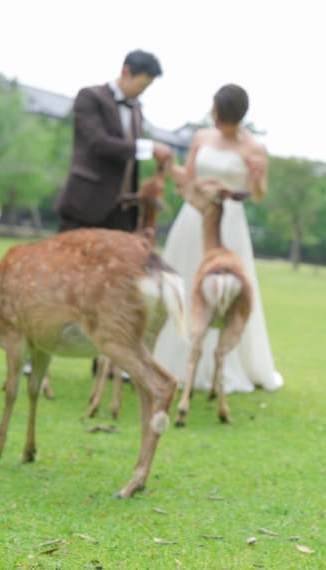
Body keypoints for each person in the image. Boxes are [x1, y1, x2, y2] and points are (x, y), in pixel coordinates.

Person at [154, 84, 283, 394]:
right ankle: (167, 359)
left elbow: (258, 195)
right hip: (193, 218)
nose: (213, 119)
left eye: (219, 115)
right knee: (180, 283)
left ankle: (221, 364)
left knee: (228, 292)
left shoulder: (254, 148)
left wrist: (256, 176)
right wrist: (168, 166)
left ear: (235, 118)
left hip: (230, 223)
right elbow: (188, 177)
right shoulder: (202, 137)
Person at [56, 49, 174, 232]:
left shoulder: (137, 109)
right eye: (142, 85)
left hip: (121, 212)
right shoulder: (90, 97)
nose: (142, 92)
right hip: (85, 205)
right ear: (126, 72)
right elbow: (98, 143)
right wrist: (149, 148)